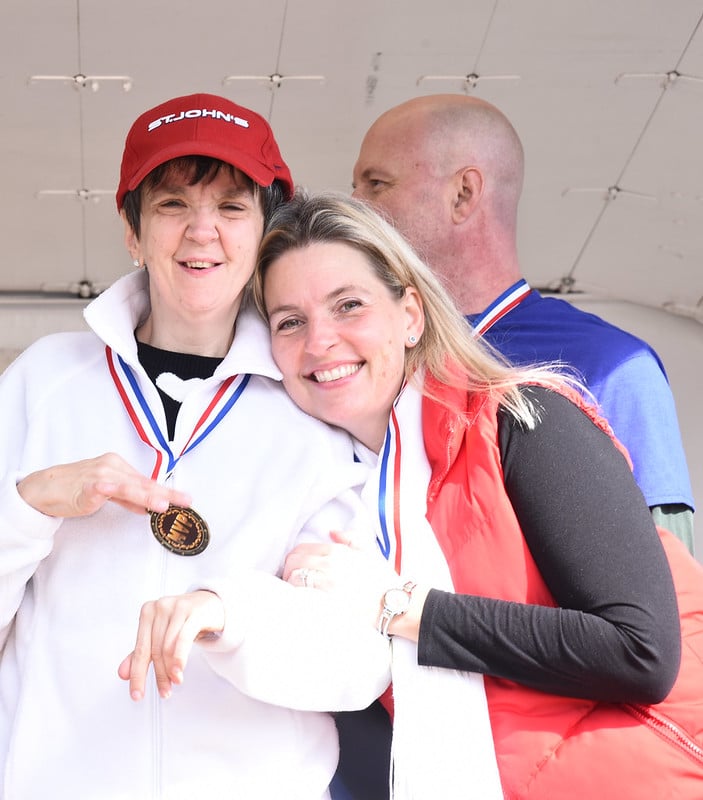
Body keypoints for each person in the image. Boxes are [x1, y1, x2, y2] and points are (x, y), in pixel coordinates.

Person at [0, 94, 391, 800]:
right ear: (133, 232)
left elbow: (357, 660)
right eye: (173, 205)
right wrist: (28, 508)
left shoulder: (313, 405)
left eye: (232, 207)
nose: (200, 232)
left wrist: (229, 612)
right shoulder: (44, 383)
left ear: (266, 228)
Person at [253, 191, 703, 800]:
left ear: (410, 314)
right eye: (290, 321)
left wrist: (397, 605)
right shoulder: (335, 501)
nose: (320, 341)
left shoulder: (522, 418)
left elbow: (640, 652)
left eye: (348, 306)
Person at [351, 93, 695, 553]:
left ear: (463, 194)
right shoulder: (348, 356)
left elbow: (672, 594)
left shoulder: (609, 367)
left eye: (376, 184)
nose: (353, 205)